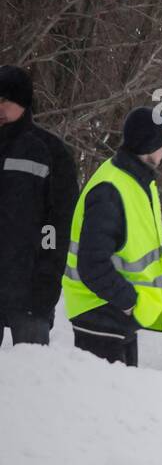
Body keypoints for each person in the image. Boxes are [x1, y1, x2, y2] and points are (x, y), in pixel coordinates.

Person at [62, 106, 162, 365]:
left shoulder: (137, 180)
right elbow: (92, 264)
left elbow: (130, 254)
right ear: (150, 146)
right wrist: (129, 302)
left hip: (115, 314)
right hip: (98, 316)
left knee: (122, 402)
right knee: (103, 403)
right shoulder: (110, 189)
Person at [0, 65, 78, 347]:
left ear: (21, 102)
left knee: (33, 379)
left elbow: (57, 225)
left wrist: (45, 285)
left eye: (3, 101)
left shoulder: (50, 152)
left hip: (30, 291)